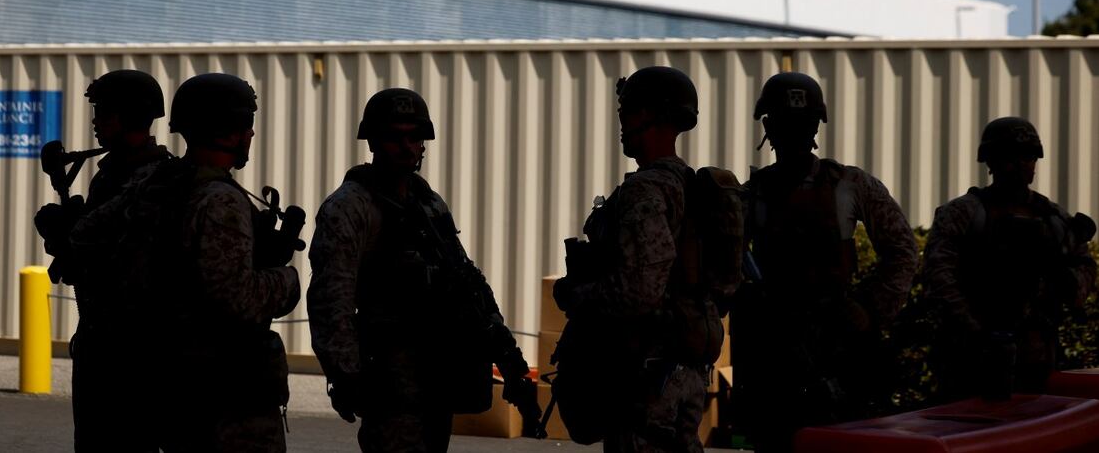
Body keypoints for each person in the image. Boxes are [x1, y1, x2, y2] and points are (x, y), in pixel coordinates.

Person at [308, 87, 539, 452]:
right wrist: (347, 376)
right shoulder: (350, 207)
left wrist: (509, 360)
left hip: (437, 380)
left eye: (414, 137)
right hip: (390, 387)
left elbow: (468, 284)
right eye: (394, 137)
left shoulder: (428, 203)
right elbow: (330, 300)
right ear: (373, 141)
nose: (406, 147)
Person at [734, 71, 917, 452]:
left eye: (803, 124)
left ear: (816, 126)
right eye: (786, 124)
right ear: (769, 126)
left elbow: (902, 250)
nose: (795, 134)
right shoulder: (752, 195)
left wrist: (868, 308)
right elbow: (722, 265)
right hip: (777, 351)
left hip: (839, 344)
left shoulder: (849, 184)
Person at [139, 72, 301, 452]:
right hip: (227, 400)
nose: (251, 136)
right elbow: (237, 297)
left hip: (178, 387)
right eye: (247, 126)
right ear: (228, 131)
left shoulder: (160, 184)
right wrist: (287, 280)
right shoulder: (220, 201)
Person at [552, 65, 709, 452]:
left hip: (647, 376)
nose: (622, 122)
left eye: (629, 112)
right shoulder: (692, 187)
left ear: (652, 116)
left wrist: (576, 294)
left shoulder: (645, 191)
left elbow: (640, 291)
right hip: (685, 368)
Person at [34, 69, 170, 452]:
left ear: (129, 116)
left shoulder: (154, 178)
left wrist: (75, 236)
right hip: (104, 342)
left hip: (133, 353)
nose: (95, 121)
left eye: (104, 112)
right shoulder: (112, 174)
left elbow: (134, 263)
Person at [923, 116, 1097, 401]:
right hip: (970, 355)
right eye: (1009, 157)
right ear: (990, 162)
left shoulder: (1053, 217)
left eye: (1028, 157)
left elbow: (1084, 268)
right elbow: (938, 278)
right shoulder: (964, 213)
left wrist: (1067, 283)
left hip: (1036, 352)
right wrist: (977, 331)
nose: (1019, 165)